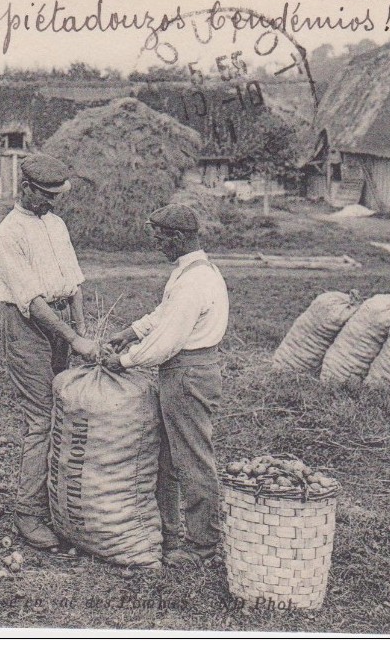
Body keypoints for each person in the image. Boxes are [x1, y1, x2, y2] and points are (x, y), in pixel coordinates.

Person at [102, 204, 229, 568]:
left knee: (192, 460)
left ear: (178, 237)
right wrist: (131, 331)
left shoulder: (195, 282)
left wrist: (124, 360)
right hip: (184, 371)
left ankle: (203, 548)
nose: (158, 245)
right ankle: (170, 534)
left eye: (161, 239)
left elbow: (167, 341)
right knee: (169, 457)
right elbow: (163, 315)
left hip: (187, 372)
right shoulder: (191, 272)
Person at [0, 153, 100, 549]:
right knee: (40, 419)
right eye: (46, 195)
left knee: (62, 411)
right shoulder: (7, 235)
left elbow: (74, 283)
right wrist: (74, 340)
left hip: (60, 325)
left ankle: (53, 500)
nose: (53, 203)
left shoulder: (56, 225)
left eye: (57, 196)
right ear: (26, 189)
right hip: (27, 328)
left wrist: (82, 329)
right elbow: (32, 302)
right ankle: (27, 513)